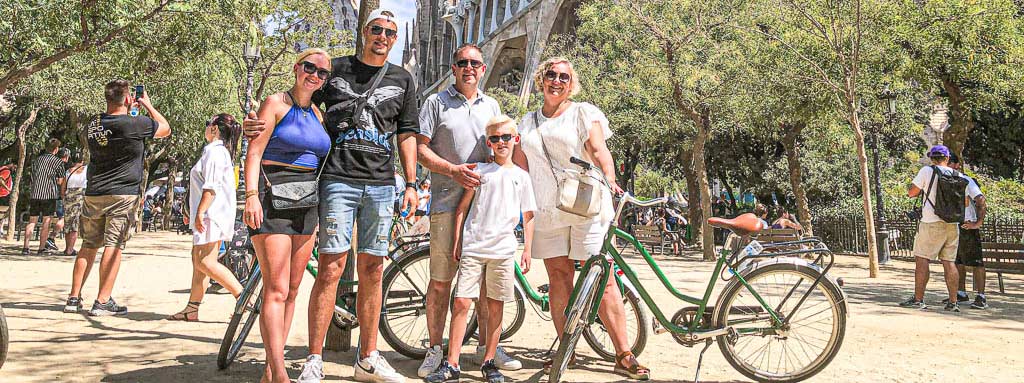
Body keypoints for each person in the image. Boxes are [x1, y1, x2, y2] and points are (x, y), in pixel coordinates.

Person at [245, 11, 420, 380]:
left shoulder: (404, 79)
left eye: (390, 32)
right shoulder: (334, 69)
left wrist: (411, 182)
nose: (383, 36)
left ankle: (368, 357)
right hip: (337, 179)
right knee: (331, 268)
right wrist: (257, 123)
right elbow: (299, 100)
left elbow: (406, 133)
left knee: (374, 268)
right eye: (376, 29)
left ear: (395, 38)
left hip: (381, 183)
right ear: (364, 32)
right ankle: (314, 359)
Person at [512, 57, 648, 380]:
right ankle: (566, 350)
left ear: (571, 83)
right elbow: (520, 168)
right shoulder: (526, 123)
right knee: (559, 278)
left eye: (564, 76)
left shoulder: (582, 112)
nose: (556, 81)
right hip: (547, 210)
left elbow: (600, 151)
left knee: (602, 278)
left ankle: (623, 353)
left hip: (587, 205)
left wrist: (611, 180)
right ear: (540, 80)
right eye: (551, 75)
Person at [415, 43, 517, 378]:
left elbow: (504, 150)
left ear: (483, 69)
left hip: (486, 210)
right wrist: (452, 170)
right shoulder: (436, 102)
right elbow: (420, 151)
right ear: (453, 68)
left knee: (487, 288)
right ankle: (435, 349)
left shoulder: (493, 105)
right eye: (462, 63)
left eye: (474, 63)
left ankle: (488, 349)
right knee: (442, 283)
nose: (468, 68)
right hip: (446, 204)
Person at [242, 49, 332, 383]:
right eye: (310, 68)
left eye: (322, 73)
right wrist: (251, 196)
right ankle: (280, 374)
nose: (315, 76)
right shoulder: (275, 103)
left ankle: (270, 368)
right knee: (276, 289)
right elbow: (254, 153)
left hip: (308, 202)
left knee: (293, 289)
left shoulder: (320, 116)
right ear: (296, 68)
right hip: (273, 196)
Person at [425, 115, 536, 383]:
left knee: (495, 304)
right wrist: (458, 241)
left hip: (502, 249)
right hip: (474, 245)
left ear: (515, 140)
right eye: (495, 139)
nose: (501, 143)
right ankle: (452, 363)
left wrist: (527, 250)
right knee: (462, 301)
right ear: (488, 143)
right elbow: (462, 207)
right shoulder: (479, 171)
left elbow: (528, 214)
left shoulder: (521, 177)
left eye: (506, 137)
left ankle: (488, 360)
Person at [65, 79, 170, 316]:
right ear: (127, 99)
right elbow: (165, 128)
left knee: (88, 245)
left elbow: (118, 128)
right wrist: (148, 105)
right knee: (114, 245)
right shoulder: (136, 123)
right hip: (123, 194)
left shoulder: (94, 124)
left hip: (94, 192)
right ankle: (102, 301)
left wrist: (131, 111)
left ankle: (73, 297)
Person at [167, 114, 245, 321]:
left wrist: (200, 212)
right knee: (198, 262)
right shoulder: (217, 152)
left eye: (207, 124)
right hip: (211, 212)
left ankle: (245, 297)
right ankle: (192, 308)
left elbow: (210, 187)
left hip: (212, 213)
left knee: (205, 262)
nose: (206, 128)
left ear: (215, 129)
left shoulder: (215, 152)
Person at [899, 145, 979, 313]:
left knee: (922, 259)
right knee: (949, 263)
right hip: (952, 224)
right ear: (947, 159)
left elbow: (912, 193)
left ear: (931, 158)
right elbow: (964, 203)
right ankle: (953, 301)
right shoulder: (958, 175)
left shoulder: (927, 171)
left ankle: (919, 299)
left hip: (931, 222)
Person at [948, 154, 988, 309]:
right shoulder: (945, 181)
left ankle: (981, 296)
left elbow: (980, 200)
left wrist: (978, 222)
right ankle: (961, 292)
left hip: (967, 225)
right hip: (953, 225)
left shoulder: (966, 180)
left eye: (950, 162)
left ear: (957, 165)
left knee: (976, 261)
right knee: (957, 261)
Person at [22, 138, 65, 255]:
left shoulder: (37, 160)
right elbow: (61, 181)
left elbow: (32, 178)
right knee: (46, 221)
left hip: (35, 194)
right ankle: (41, 248)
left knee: (32, 221)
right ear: (56, 149)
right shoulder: (58, 162)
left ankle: (26, 247)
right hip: (49, 195)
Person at [63, 152, 88, 257]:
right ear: (82, 160)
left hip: (68, 198)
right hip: (79, 198)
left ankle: (67, 247)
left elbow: (63, 188)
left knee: (68, 223)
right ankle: (70, 249)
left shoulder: (68, 172)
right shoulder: (86, 170)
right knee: (75, 224)